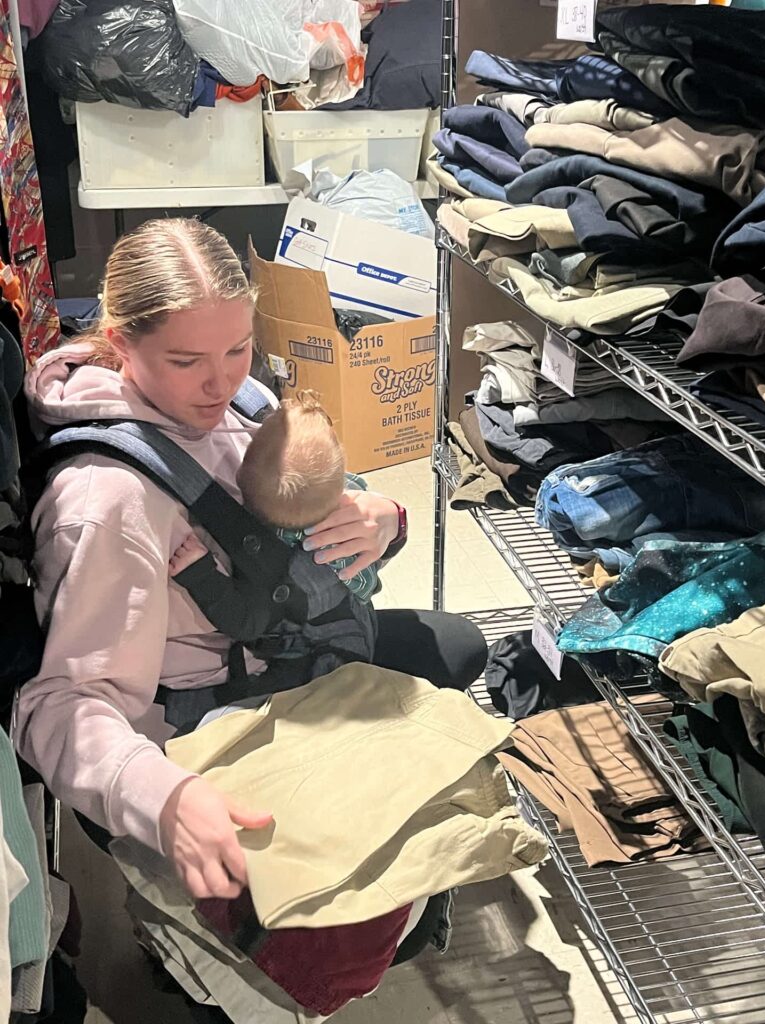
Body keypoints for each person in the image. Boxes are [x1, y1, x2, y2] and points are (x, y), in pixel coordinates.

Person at [17, 217, 488, 904]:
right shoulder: (107, 496)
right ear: (120, 343)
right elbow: (60, 703)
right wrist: (165, 798)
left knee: (458, 649)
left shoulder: (244, 399)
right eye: (186, 362)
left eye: (239, 347)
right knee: (345, 911)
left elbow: (320, 494)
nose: (218, 382)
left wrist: (384, 519)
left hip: (289, 650)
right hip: (212, 716)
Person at [169, 388, 382, 633]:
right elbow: (372, 577)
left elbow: (245, 623)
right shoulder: (354, 502)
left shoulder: (264, 560)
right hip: (359, 629)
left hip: (309, 657)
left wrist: (200, 574)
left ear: (238, 477)